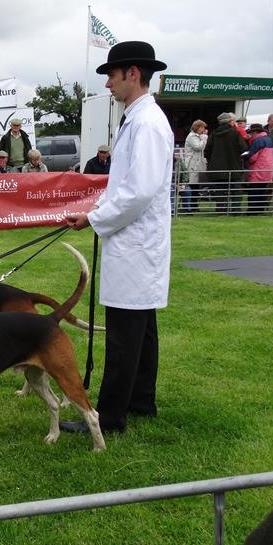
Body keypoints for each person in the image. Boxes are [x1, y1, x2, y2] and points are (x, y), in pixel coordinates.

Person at [60, 40, 173, 436]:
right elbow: (123, 184)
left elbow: (138, 192)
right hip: (134, 242)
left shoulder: (146, 123)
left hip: (137, 245)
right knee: (141, 329)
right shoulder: (136, 119)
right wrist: (93, 211)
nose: (108, 83)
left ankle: (109, 419)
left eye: (111, 75)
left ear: (133, 74)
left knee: (126, 335)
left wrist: (94, 218)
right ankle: (141, 402)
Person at [206, 111, 247, 213]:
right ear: (230, 122)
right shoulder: (235, 133)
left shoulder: (214, 134)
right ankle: (236, 210)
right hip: (234, 166)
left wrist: (212, 160)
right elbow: (244, 148)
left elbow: (207, 151)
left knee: (220, 191)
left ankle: (221, 210)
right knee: (236, 190)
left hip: (217, 168)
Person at [241, 124, 273, 215]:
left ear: (255, 132)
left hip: (257, 170)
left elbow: (252, 156)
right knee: (262, 191)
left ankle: (252, 211)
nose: (250, 135)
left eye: (251, 133)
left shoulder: (258, 141)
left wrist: (243, 156)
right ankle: (260, 210)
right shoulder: (269, 139)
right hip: (267, 170)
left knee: (254, 191)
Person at [182, 120, 208, 213]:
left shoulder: (198, 136)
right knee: (192, 185)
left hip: (197, 164)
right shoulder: (192, 136)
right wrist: (204, 137)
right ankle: (190, 206)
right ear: (198, 127)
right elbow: (198, 147)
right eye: (202, 127)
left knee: (196, 185)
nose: (204, 129)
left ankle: (194, 205)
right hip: (192, 164)